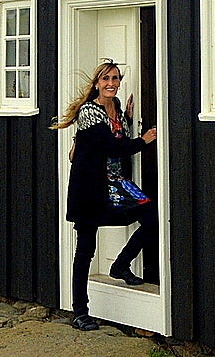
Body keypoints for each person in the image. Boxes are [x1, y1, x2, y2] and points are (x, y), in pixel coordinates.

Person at [52, 61, 159, 331]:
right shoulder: (89, 111)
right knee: (85, 250)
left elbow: (116, 135)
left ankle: (121, 265)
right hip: (89, 188)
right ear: (97, 83)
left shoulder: (117, 108)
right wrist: (143, 140)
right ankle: (79, 312)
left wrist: (130, 120)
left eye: (115, 78)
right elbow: (111, 147)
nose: (111, 83)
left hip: (116, 183)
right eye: (105, 79)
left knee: (152, 215)